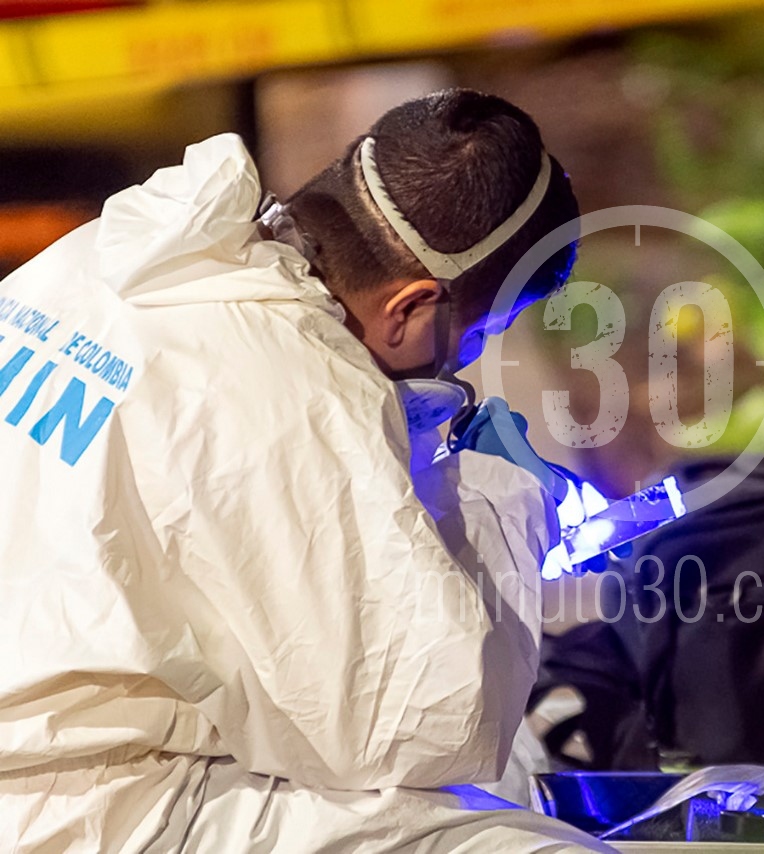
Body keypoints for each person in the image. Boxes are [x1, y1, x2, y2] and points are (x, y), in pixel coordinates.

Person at [0, 90, 610, 852]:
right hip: (84, 811)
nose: (470, 358)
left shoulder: (108, 255)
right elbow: (428, 724)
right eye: (483, 332)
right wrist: (503, 499)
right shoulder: (299, 394)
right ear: (411, 307)